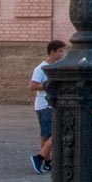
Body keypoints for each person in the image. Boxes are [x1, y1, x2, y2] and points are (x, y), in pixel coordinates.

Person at [29, 40, 65, 174]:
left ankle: (47, 162)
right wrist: (47, 86)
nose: (62, 54)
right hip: (44, 105)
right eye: (60, 51)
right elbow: (33, 86)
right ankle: (39, 158)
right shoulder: (41, 68)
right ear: (52, 52)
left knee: (46, 136)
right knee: (55, 134)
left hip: (49, 104)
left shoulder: (55, 67)